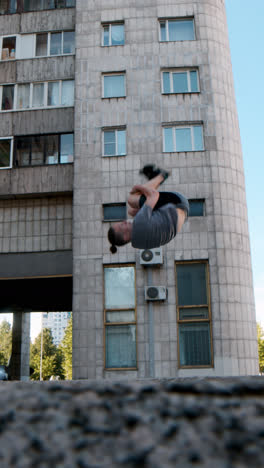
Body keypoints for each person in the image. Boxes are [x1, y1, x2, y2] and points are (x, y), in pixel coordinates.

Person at [108, 165, 189, 253]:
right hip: (177, 203)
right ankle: (161, 176)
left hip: (182, 214)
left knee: (132, 211)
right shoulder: (139, 223)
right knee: (132, 199)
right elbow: (154, 195)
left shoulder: (138, 244)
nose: (124, 222)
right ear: (125, 237)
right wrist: (138, 187)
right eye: (121, 226)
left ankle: (153, 181)